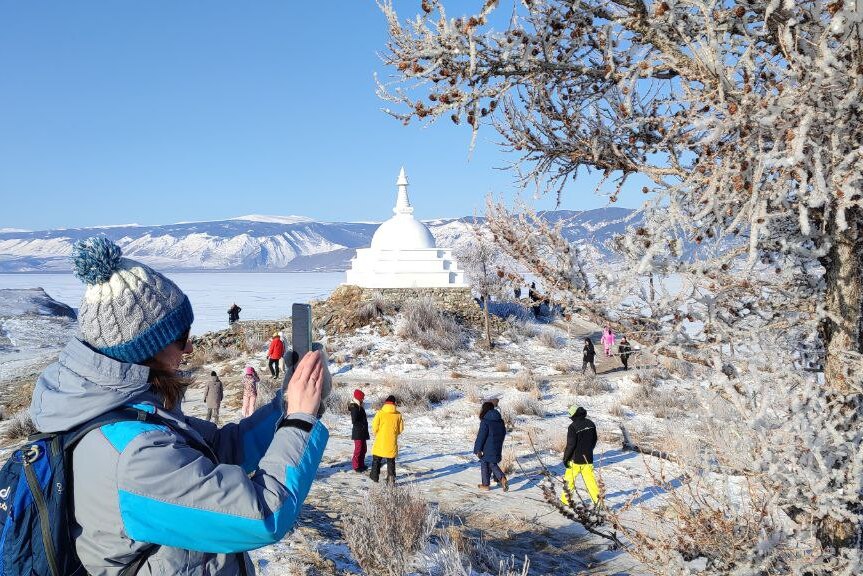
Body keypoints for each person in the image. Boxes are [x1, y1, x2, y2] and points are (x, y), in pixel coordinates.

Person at [28, 237, 330, 574]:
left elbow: (219, 448)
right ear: (143, 349)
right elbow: (263, 513)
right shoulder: (135, 454)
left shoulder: (128, 410)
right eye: (181, 337)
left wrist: (286, 406)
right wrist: (300, 422)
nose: (189, 348)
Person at [561, 405, 600, 506]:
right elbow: (594, 440)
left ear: (574, 414)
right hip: (588, 459)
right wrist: (588, 450)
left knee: (569, 481)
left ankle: (566, 502)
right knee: (591, 482)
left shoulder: (573, 427)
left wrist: (565, 459)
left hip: (575, 461)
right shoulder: (591, 423)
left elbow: (571, 445)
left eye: (570, 415)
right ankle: (598, 502)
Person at [473, 401, 509, 491]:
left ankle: (491, 482)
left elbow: (481, 436)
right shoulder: (500, 420)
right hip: (497, 445)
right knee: (491, 463)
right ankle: (500, 479)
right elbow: (503, 432)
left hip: (487, 447)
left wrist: (478, 449)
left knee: (486, 462)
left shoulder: (485, 421)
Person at [370, 395, 404, 484]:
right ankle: (391, 479)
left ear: (385, 403)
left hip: (380, 441)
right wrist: (394, 434)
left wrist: (377, 433)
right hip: (391, 441)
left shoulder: (380, 413)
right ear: (394, 403)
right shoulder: (398, 415)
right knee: (391, 461)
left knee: (376, 459)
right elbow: (401, 429)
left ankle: (374, 478)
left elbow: (374, 426)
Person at [349, 388, 370, 472]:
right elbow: (354, 420)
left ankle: (361, 464)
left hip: (362, 431)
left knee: (363, 449)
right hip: (358, 432)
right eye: (362, 398)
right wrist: (361, 424)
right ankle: (356, 466)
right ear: (358, 398)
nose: (363, 399)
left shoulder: (359, 406)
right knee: (358, 449)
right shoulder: (354, 407)